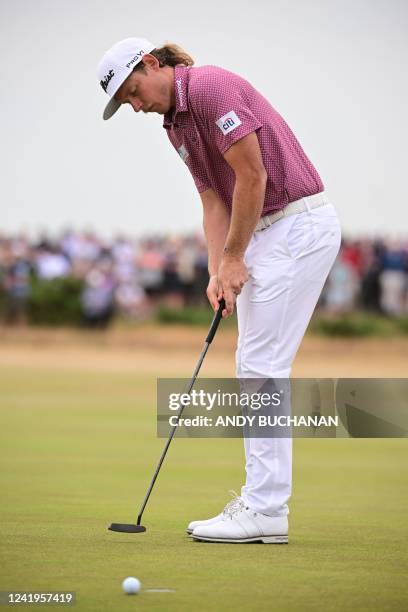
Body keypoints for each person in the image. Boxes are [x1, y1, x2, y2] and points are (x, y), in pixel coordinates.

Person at [97, 37, 342, 543]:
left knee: (260, 368)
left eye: (133, 91)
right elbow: (214, 200)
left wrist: (235, 257)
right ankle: (263, 505)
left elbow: (252, 176)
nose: (136, 106)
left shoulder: (209, 87)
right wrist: (217, 270)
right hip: (265, 233)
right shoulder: (175, 125)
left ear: (151, 64)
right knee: (256, 367)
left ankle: (266, 510)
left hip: (295, 225)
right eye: (126, 102)